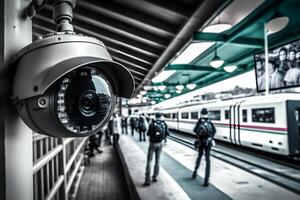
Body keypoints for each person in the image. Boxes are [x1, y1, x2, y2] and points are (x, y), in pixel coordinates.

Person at [192, 108, 216, 187]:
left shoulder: (200, 121)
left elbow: (195, 130)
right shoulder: (209, 121)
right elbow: (214, 131)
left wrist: (199, 136)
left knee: (199, 156)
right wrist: (210, 137)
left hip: (201, 142)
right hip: (208, 143)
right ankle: (206, 180)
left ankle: (195, 171)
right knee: (207, 160)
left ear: (201, 113)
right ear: (207, 113)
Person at [144, 113, 169, 186]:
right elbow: (167, 133)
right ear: (161, 117)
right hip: (160, 144)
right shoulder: (164, 124)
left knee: (149, 161)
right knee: (157, 161)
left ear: (155, 117)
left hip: (152, 144)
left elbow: (148, 134)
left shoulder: (152, 124)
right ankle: (155, 177)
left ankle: (147, 180)